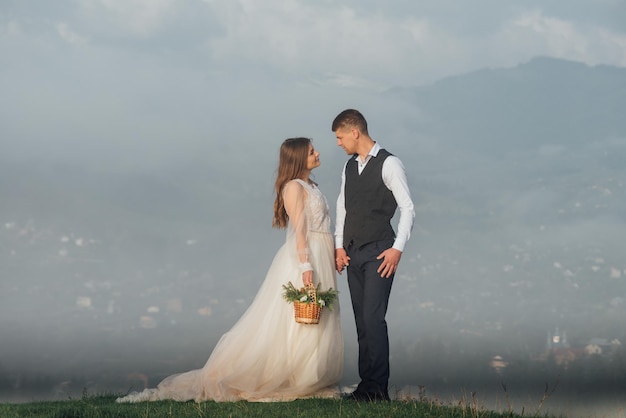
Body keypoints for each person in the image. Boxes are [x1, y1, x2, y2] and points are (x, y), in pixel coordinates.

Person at [116, 137, 343, 403]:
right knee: (297, 320)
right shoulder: (294, 187)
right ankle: (296, 376)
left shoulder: (311, 185)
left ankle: (310, 374)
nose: (317, 153)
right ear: (297, 159)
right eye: (311, 151)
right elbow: (300, 231)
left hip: (322, 252)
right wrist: (306, 266)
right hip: (308, 256)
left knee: (318, 317)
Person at [332, 109, 414, 402]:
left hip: (381, 251)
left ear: (355, 132)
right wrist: (339, 246)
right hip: (353, 252)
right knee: (361, 321)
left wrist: (397, 249)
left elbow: (407, 207)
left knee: (373, 318)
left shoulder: (390, 163)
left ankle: (378, 391)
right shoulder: (349, 167)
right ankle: (366, 388)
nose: (339, 143)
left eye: (340, 137)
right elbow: (343, 206)